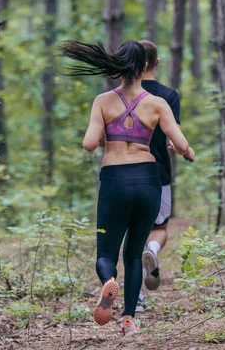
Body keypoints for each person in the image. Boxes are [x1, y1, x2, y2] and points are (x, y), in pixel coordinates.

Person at [59, 40, 195, 336]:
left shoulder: (103, 101)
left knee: (106, 254)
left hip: (115, 179)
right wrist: (187, 152)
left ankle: (109, 281)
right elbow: (181, 144)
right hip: (148, 179)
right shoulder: (158, 102)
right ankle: (130, 320)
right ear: (145, 66)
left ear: (118, 65)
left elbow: (89, 143)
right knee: (134, 254)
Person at [136, 40, 194, 311]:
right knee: (159, 229)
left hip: (123, 173)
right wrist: (185, 149)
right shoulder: (167, 96)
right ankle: (154, 252)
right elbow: (176, 138)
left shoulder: (119, 94)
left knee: (132, 235)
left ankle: (135, 297)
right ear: (156, 63)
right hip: (157, 172)